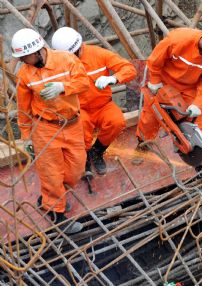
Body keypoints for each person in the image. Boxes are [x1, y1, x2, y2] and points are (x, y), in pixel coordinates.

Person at [12, 28, 89, 234]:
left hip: (72, 124)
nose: (23, 60)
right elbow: (23, 107)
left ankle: (50, 197)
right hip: (45, 128)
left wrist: (62, 87)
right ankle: (57, 214)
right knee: (51, 173)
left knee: (76, 169)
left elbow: (84, 83)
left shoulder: (66, 60)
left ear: (37, 51)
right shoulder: (26, 74)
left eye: (24, 56)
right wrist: (26, 136)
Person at [136, 27, 202, 173]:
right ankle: (142, 145)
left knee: (196, 123)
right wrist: (155, 81)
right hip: (164, 82)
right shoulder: (178, 40)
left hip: (190, 88)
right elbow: (154, 60)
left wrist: (198, 102)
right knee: (151, 117)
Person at [51, 27, 137, 175]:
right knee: (80, 129)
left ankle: (97, 151)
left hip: (103, 105)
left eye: (76, 53)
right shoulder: (57, 63)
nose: (74, 57)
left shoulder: (98, 54)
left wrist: (113, 78)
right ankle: (83, 157)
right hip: (79, 108)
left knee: (116, 122)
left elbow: (129, 69)